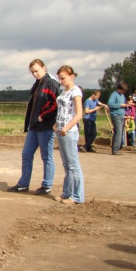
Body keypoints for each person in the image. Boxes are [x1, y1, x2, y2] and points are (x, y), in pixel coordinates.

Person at [7, 59, 60, 195]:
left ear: (44, 68)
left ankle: (46, 185)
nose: (35, 74)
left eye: (36, 71)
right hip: (34, 126)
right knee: (26, 154)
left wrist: (43, 116)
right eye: (32, 72)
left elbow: (56, 104)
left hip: (45, 126)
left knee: (46, 156)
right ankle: (23, 184)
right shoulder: (38, 84)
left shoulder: (51, 83)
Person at [53, 66, 84, 205]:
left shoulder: (75, 91)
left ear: (72, 76)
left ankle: (77, 196)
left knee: (73, 165)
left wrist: (66, 127)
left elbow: (79, 114)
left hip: (69, 132)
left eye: (63, 78)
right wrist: (56, 124)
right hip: (60, 130)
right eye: (59, 78)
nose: (61, 80)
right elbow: (62, 111)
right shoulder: (63, 91)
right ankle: (67, 193)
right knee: (66, 165)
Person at [107, 81, 130, 155]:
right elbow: (110, 104)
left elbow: (123, 104)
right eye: (122, 90)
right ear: (119, 89)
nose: (123, 92)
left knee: (119, 132)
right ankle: (115, 149)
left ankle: (116, 148)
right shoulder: (114, 94)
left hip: (121, 115)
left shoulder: (122, 96)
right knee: (119, 132)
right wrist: (120, 105)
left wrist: (126, 105)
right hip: (115, 115)